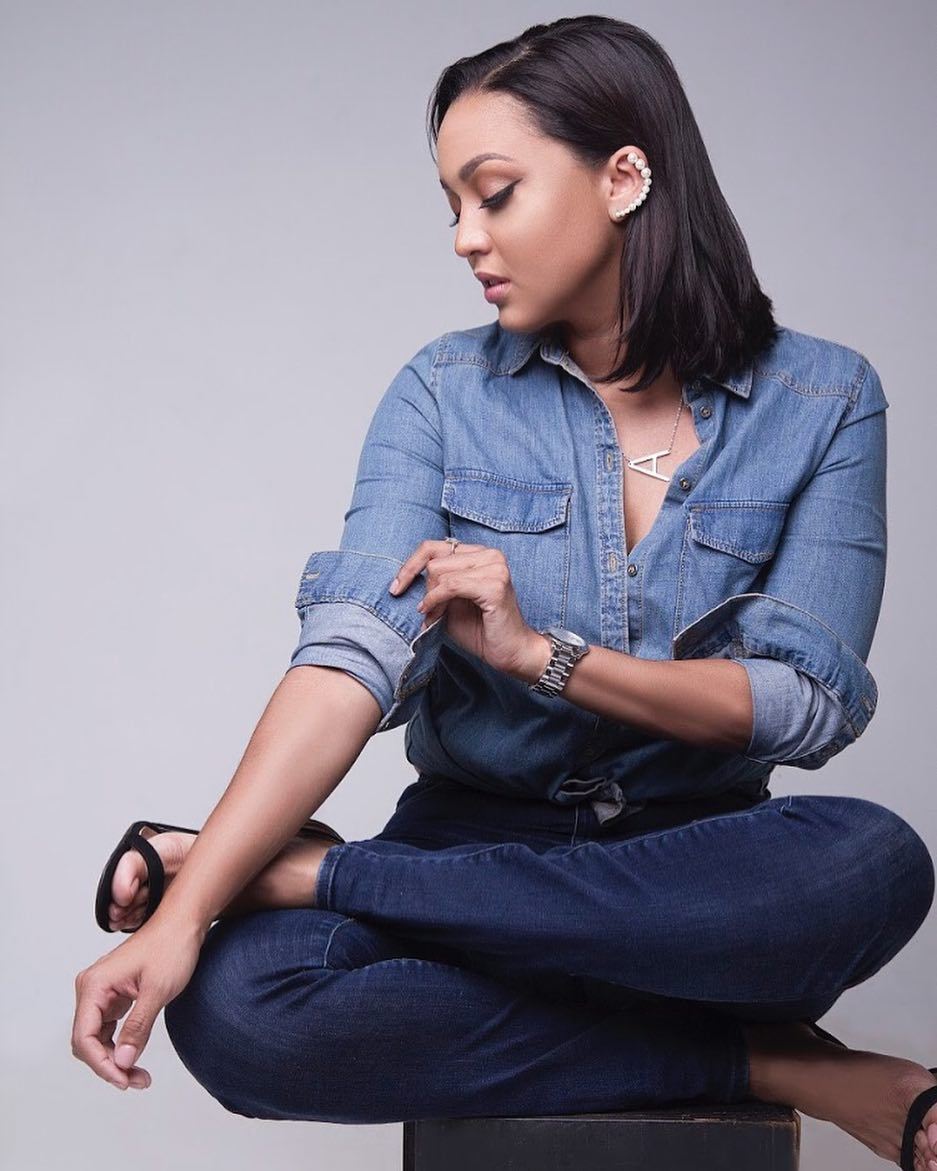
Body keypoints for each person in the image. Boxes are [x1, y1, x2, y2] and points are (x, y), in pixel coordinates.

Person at [72, 16, 937, 1167]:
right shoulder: (440, 393)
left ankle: (324, 872)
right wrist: (183, 920)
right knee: (242, 1013)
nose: (463, 238)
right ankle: (775, 1062)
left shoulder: (825, 399)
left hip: (690, 873)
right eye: (451, 206)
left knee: (869, 868)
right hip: (468, 839)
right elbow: (349, 654)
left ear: (623, 176)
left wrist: (545, 656)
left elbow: (802, 702)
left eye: (494, 194)